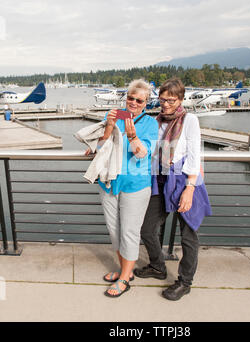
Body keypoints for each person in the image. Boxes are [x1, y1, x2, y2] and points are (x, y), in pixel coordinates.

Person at [134, 77, 212, 301]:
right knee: (147, 228)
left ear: (180, 99)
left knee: (188, 237)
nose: (166, 104)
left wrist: (189, 188)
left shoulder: (190, 120)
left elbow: (195, 154)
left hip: (184, 181)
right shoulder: (156, 121)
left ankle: (185, 282)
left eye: (171, 100)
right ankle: (158, 267)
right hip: (161, 180)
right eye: (162, 99)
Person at [85, 79, 158, 298]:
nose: (133, 102)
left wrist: (133, 134)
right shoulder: (113, 116)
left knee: (129, 231)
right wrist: (108, 126)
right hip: (109, 181)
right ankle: (123, 269)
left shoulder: (150, 124)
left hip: (135, 184)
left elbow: (142, 153)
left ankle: (126, 277)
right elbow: (99, 146)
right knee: (114, 230)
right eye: (130, 98)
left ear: (146, 103)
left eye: (139, 100)